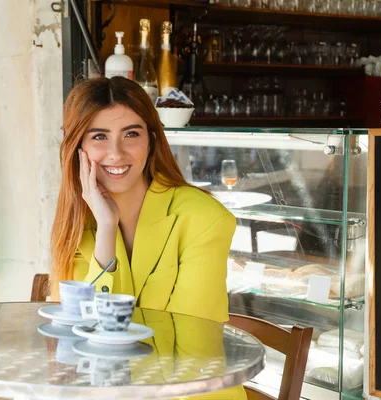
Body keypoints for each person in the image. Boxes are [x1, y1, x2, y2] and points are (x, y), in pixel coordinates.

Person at [50, 77, 244, 399]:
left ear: (151, 141)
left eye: (131, 134)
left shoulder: (203, 219)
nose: (116, 153)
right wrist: (106, 229)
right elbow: (82, 338)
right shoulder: (78, 224)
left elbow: (196, 356)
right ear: (79, 149)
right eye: (99, 136)